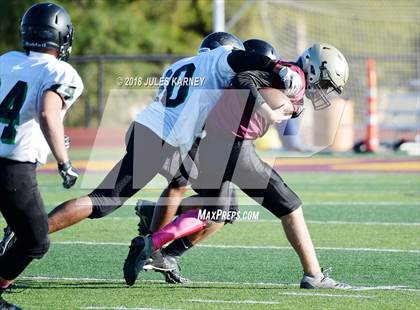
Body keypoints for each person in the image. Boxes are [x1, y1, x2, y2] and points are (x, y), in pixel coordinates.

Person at [0, 32, 303, 281]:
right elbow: (238, 71)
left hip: (149, 130)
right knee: (105, 201)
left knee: (195, 192)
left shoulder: (182, 65)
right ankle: (30, 230)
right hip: (164, 141)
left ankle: (157, 248)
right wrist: (278, 72)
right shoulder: (220, 62)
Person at [124, 42, 351, 290]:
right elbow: (243, 81)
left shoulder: (293, 82)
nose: (325, 90)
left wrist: (288, 107)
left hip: (215, 145)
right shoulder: (292, 75)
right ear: (314, 68)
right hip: (234, 146)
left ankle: (153, 245)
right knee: (291, 207)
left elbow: (276, 98)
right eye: (326, 83)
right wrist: (268, 111)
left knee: (219, 211)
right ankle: (314, 276)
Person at [0, 3, 82, 309]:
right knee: (35, 240)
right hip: (13, 167)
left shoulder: (6, 60)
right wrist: (64, 161)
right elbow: (49, 113)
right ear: (61, 36)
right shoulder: (60, 71)